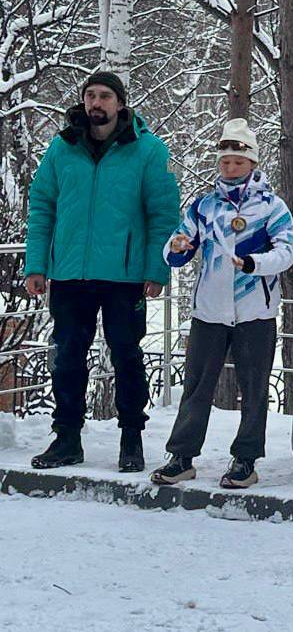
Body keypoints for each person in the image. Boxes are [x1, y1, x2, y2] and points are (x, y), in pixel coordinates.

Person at [24, 71, 179, 472]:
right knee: (68, 357)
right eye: (91, 95)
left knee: (127, 355)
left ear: (120, 103)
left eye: (105, 96)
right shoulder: (62, 148)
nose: (96, 102)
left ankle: (132, 439)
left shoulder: (147, 150)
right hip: (69, 273)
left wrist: (156, 270)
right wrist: (37, 264)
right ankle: (67, 439)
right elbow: (41, 207)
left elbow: (162, 215)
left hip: (124, 276)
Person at [150, 120, 293, 489]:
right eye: (225, 161)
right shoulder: (204, 205)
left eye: (237, 162)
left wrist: (253, 264)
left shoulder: (271, 207)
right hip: (209, 310)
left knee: (254, 386)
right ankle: (182, 456)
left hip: (255, 311)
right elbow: (177, 248)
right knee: (197, 385)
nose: (229, 168)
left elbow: (288, 252)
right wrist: (177, 247)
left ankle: (245, 459)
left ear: (252, 164)